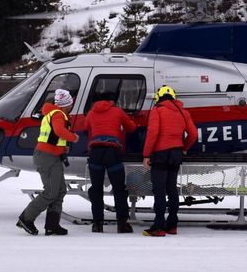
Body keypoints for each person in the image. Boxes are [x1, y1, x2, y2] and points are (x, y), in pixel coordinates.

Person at [17, 89, 80, 236]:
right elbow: (59, 131)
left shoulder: (52, 114)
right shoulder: (58, 114)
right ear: (66, 104)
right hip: (47, 156)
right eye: (70, 103)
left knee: (60, 191)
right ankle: (26, 219)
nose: (71, 106)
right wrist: (73, 137)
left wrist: (62, 148)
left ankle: (52, 225)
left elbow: (53, 136)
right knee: (51, 192)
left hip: (52, 156)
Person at [142, 85, 197, 236]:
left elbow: (153, 133)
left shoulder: (157, 111)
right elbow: (193, 134)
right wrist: (184, 148)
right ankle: (172, 225)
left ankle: (158, 226)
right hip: (176, 155)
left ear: (159, 97)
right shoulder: (182, 112)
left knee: (159, 190)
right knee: (172, 190)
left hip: (160, 154)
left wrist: (146, 154)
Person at [84, 95, 139, 233]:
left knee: (96, 189)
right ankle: (122, 224)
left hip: (95, 152)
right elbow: (131, 127)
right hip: (112, 152)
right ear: (111, 101)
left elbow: (85, 127)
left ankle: (97, 224)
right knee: (119, 188)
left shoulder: (91, 113)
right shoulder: (117, 111)